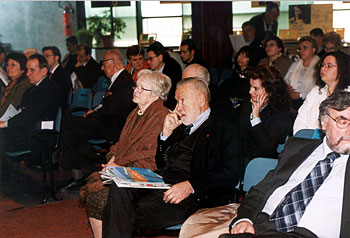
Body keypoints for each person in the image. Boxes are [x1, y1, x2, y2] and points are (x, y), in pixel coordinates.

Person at [102, 78, 242, 238]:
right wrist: (165, 134)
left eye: (183, 101)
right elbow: (162, 163)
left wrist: (190, 186)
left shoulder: (223, 127)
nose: (177, 108)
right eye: (176, 101)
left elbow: (230, 172)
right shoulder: (181, 126)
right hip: (163, 183)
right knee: (118, 188)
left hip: (195, 196)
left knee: (120, 211)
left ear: (201, 99)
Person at [218, 91, 350, 238]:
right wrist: (244, 218)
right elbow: (260, 190)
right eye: (342, 122)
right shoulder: (296, 147)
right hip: (260, 226)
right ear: (324, 123)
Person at [80, 69, 171, 238]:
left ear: (155, 95)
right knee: (95, 195)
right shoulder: (135, 112)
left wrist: (119, 164)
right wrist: (113, 157)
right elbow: (122, 143)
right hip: (126, 167)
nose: (135, 90)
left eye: (142, 88)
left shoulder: (161, 116)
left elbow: (150, 153)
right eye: (136, 86)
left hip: (147, 171)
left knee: (100, 197)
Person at [60, 49, 136, 190]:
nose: (102, 68)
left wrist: (91, 115)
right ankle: (76, 170)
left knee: (69, 123)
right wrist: (93, 110)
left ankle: (75, 171)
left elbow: (112, 111)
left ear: (112, 63)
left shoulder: (123, 82)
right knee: (71, 124)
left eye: (103, 64)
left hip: (112, 128)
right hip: (106, 122)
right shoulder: (118, 79)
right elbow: (106, 104)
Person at [0, 54, 60, 162]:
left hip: (39, 135)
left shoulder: (48, 88)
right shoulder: (33, 88)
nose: (27, 74)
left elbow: (31, 115)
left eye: (32, 70)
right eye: (27, 70)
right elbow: (22, 110)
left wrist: (5, 123)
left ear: (44, 71)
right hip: (28, 130)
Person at [238, 66, 293, 166]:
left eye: (256, 88)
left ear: (270, 91)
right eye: (250, 86)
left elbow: (266, 149)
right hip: (243, 155)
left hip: (263, 161)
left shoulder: (281, 113)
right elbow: (240, 134)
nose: (250, 92)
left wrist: (255, 117)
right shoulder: (248, 103)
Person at [293, 51, 350, 135]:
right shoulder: (316, 91)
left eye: (329, 66)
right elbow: (301, 119)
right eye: (323, 65)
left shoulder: (347, 94)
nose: (323, 69)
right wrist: (302, 137)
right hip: (308, 141)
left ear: (342, 70)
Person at [284, 36, 320, 112]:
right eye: (300, 48)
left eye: (305, 48)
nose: (301, 51)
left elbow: (319, 87)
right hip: (292, 100)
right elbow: (285, 80)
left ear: (313, 50)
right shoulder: (295, 64)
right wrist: (288, 88)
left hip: (311, 102)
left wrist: (300, 95)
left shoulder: (319, 66)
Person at [147, 41, 182, 110]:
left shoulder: (173, 70)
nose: (148, 62)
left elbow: (172, 95)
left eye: (151, 59)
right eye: (147, 59)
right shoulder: (149, 71)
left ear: (160, 57)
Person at [0, 53, 31, 117]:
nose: (9, 68)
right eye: (7, 65)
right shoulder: (11, 84)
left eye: (13, 65)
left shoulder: (24, 84)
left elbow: (12, 108)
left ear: (22, 69)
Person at [42, 46, 72, 111]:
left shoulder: (62, 74)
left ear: (56, 57)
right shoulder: (47, 73)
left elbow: (61, 95)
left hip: (57, 108)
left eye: (47, 56)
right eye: (43, 57)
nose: (44, 59)